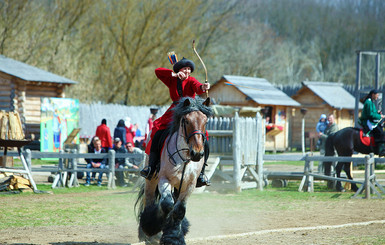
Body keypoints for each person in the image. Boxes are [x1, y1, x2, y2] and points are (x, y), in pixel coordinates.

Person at [140, 57, 211, 187]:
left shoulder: (191, 80)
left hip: (189, 110)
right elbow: (158, 71)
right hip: (174, 111)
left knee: (204, 137)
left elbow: (198, 87)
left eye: (189, 69)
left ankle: (201, 173)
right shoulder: (172, 79)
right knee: (156, 131)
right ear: (179, 70)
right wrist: (174, 74)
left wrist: (203, 86)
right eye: (185, 69)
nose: (188, 71)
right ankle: (151, 167)